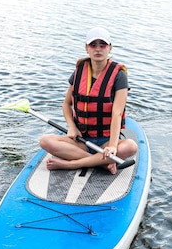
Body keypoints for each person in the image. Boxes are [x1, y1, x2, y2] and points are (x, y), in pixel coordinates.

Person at [39, 27, 138, 174]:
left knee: (130, 146)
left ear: (109, 48)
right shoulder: (79, 72)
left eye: (102, 45)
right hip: (82, 140)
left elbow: (117, 114)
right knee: (45, 141)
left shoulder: (119, 75)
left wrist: (112, 146)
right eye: (93, 45)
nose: (98, 49)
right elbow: (66, 104)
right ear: (86, 48)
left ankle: (72, 164)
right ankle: (102, 163)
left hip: (106, 140)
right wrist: (72, 127)